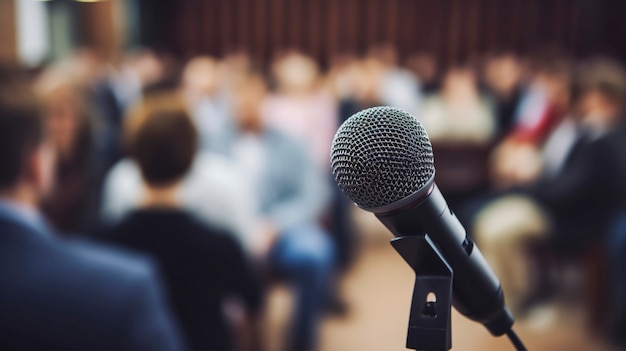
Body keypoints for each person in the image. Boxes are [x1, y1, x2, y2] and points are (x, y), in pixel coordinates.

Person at [0, 66, 182, 350]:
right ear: (35, 165)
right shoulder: (121, 293)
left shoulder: (105, 170)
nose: (57, 125)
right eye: (49, 116)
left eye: (63, 114)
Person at [97, 94, 262, 351]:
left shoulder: (103, 243)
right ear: (191, 156)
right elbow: (252, 300)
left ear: (133, 152)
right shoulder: (219, 245)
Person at [473, 57, 626, 313]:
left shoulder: (607, 138)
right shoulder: (591, 131)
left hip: (575, 218)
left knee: (497, 229)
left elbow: (573, 189)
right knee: (488, 221)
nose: (587, 101)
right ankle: (510, 295)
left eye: (594, 96)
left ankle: (518, 299)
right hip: (558, 204)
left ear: (609, 99)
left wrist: (526, 188)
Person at [227, 72, 335, 351]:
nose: (247, 104)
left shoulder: (291, 140)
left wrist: (276, 224)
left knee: (315, 253)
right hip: (228, 232)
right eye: (240, 97)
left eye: (254, 97)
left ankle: (301, 342)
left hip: (280, 230)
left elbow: (312, 194)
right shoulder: (211, 141)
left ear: (266, 100)